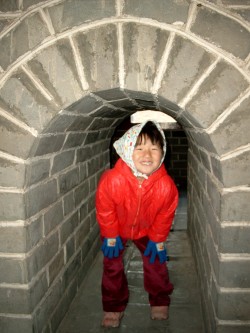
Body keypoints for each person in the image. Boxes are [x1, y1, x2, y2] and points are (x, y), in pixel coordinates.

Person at [96, 120, 179, 328]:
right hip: (117, 229)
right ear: (127, 151)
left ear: (163, 152)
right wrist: (111, 235)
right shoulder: (112, 179)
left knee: (156, 262)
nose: (147, 155)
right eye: (139, 148)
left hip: (147, 230)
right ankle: (113, 305)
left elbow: (165, 214)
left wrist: (157, 239)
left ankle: (159, 299)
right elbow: (105, 209)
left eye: (154, 148)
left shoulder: (165, 185)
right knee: (112, 266)